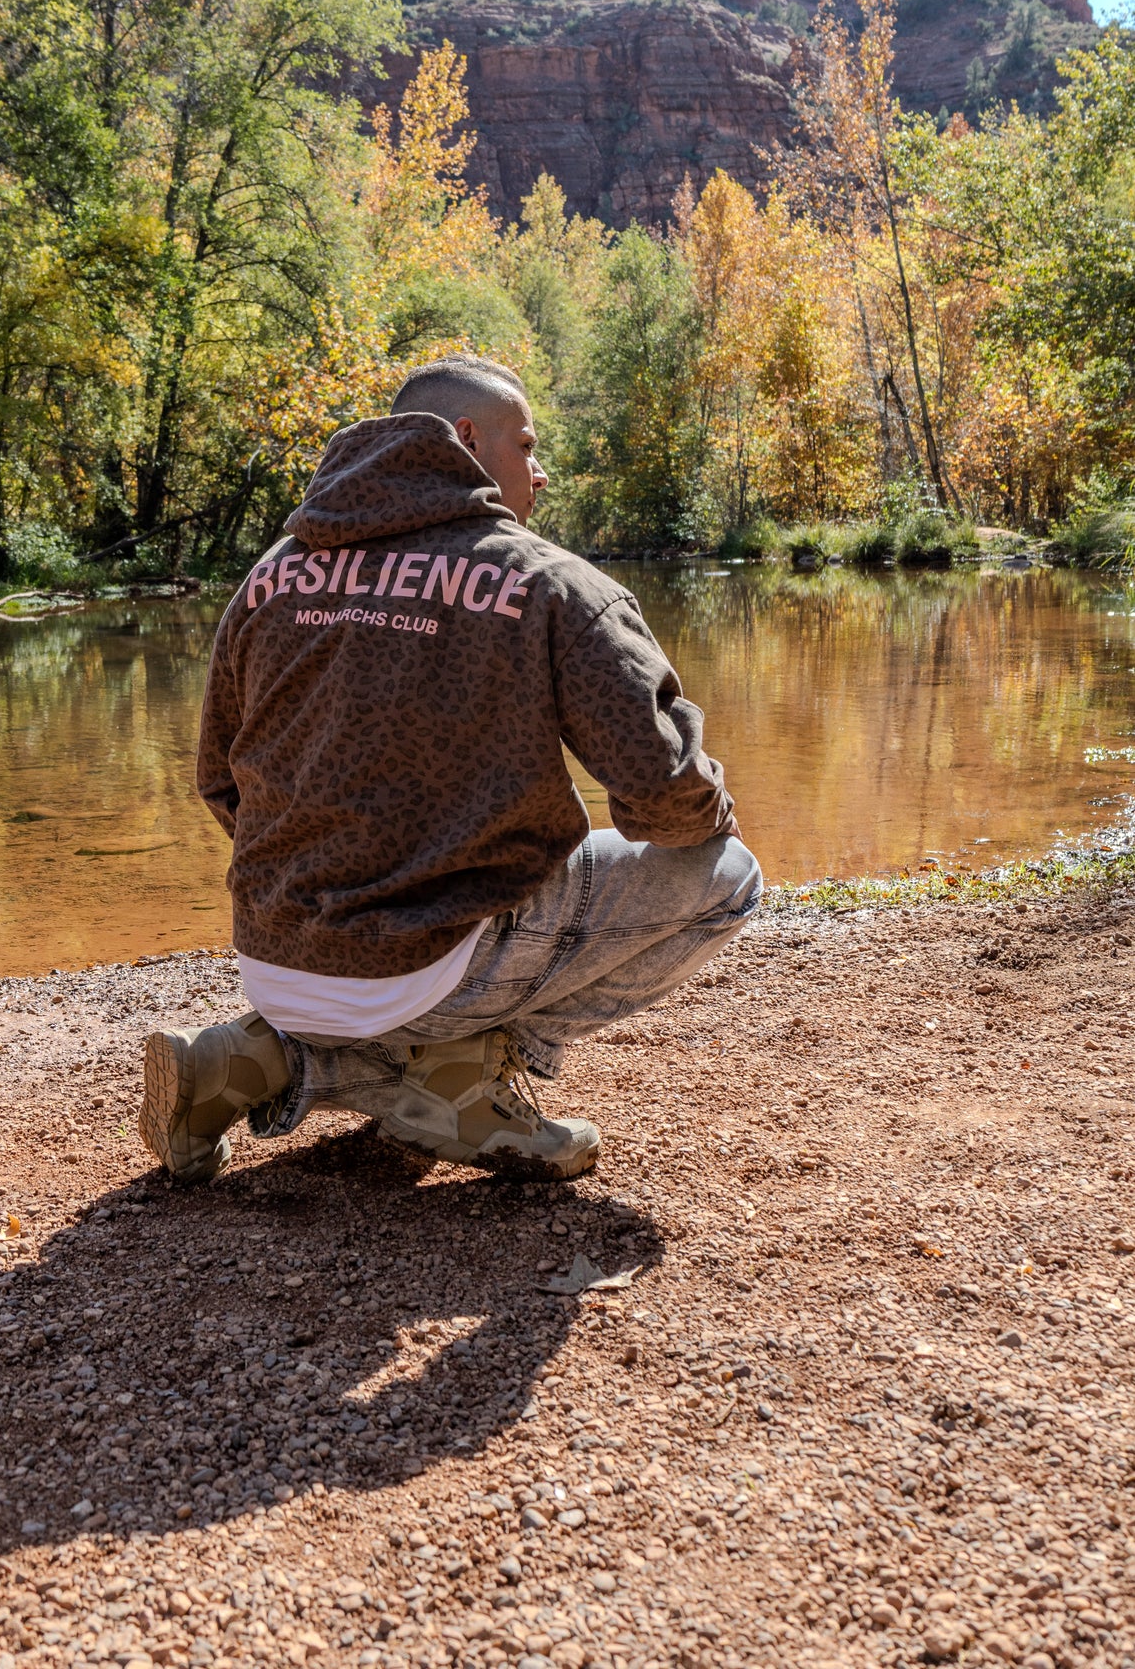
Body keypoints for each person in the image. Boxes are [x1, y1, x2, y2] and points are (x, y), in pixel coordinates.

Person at [139, 354, 760, 1185]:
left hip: (273, 954)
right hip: (425, 967)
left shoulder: (271, 576)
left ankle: (252, 1057)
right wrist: (706, 796)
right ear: (463, 439)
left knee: (427, 923)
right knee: (726, 874)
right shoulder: (550, 584)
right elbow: (667, 800)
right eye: (526, 444)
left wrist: (332, 877)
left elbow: (220, 782)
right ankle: (462, 1072)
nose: (539, 473)